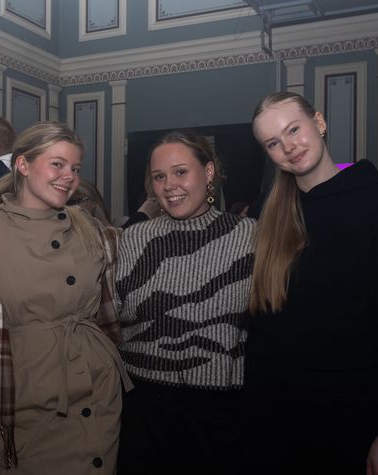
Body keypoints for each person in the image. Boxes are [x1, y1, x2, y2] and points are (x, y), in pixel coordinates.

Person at [242, 91, 378, 475]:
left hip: (352, 416)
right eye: (273, 143)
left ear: (320, 123)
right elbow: (260, 322)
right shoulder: (264, 212)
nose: (288, 147)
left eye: (294, 130)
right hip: (271, 416)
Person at [0, 121, 132, 474]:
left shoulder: (90, 228)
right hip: (27, 396)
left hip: (98, 390)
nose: (69, 176)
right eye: (58, 164)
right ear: (23, 164)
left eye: (75, 168)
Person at [115, 130, 255, 474]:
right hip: (142, 409)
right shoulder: (133, 238)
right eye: (159, 177)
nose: (169, 186)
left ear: (208, 172)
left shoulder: (250, 236)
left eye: (180, 172)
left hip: (219, 413)